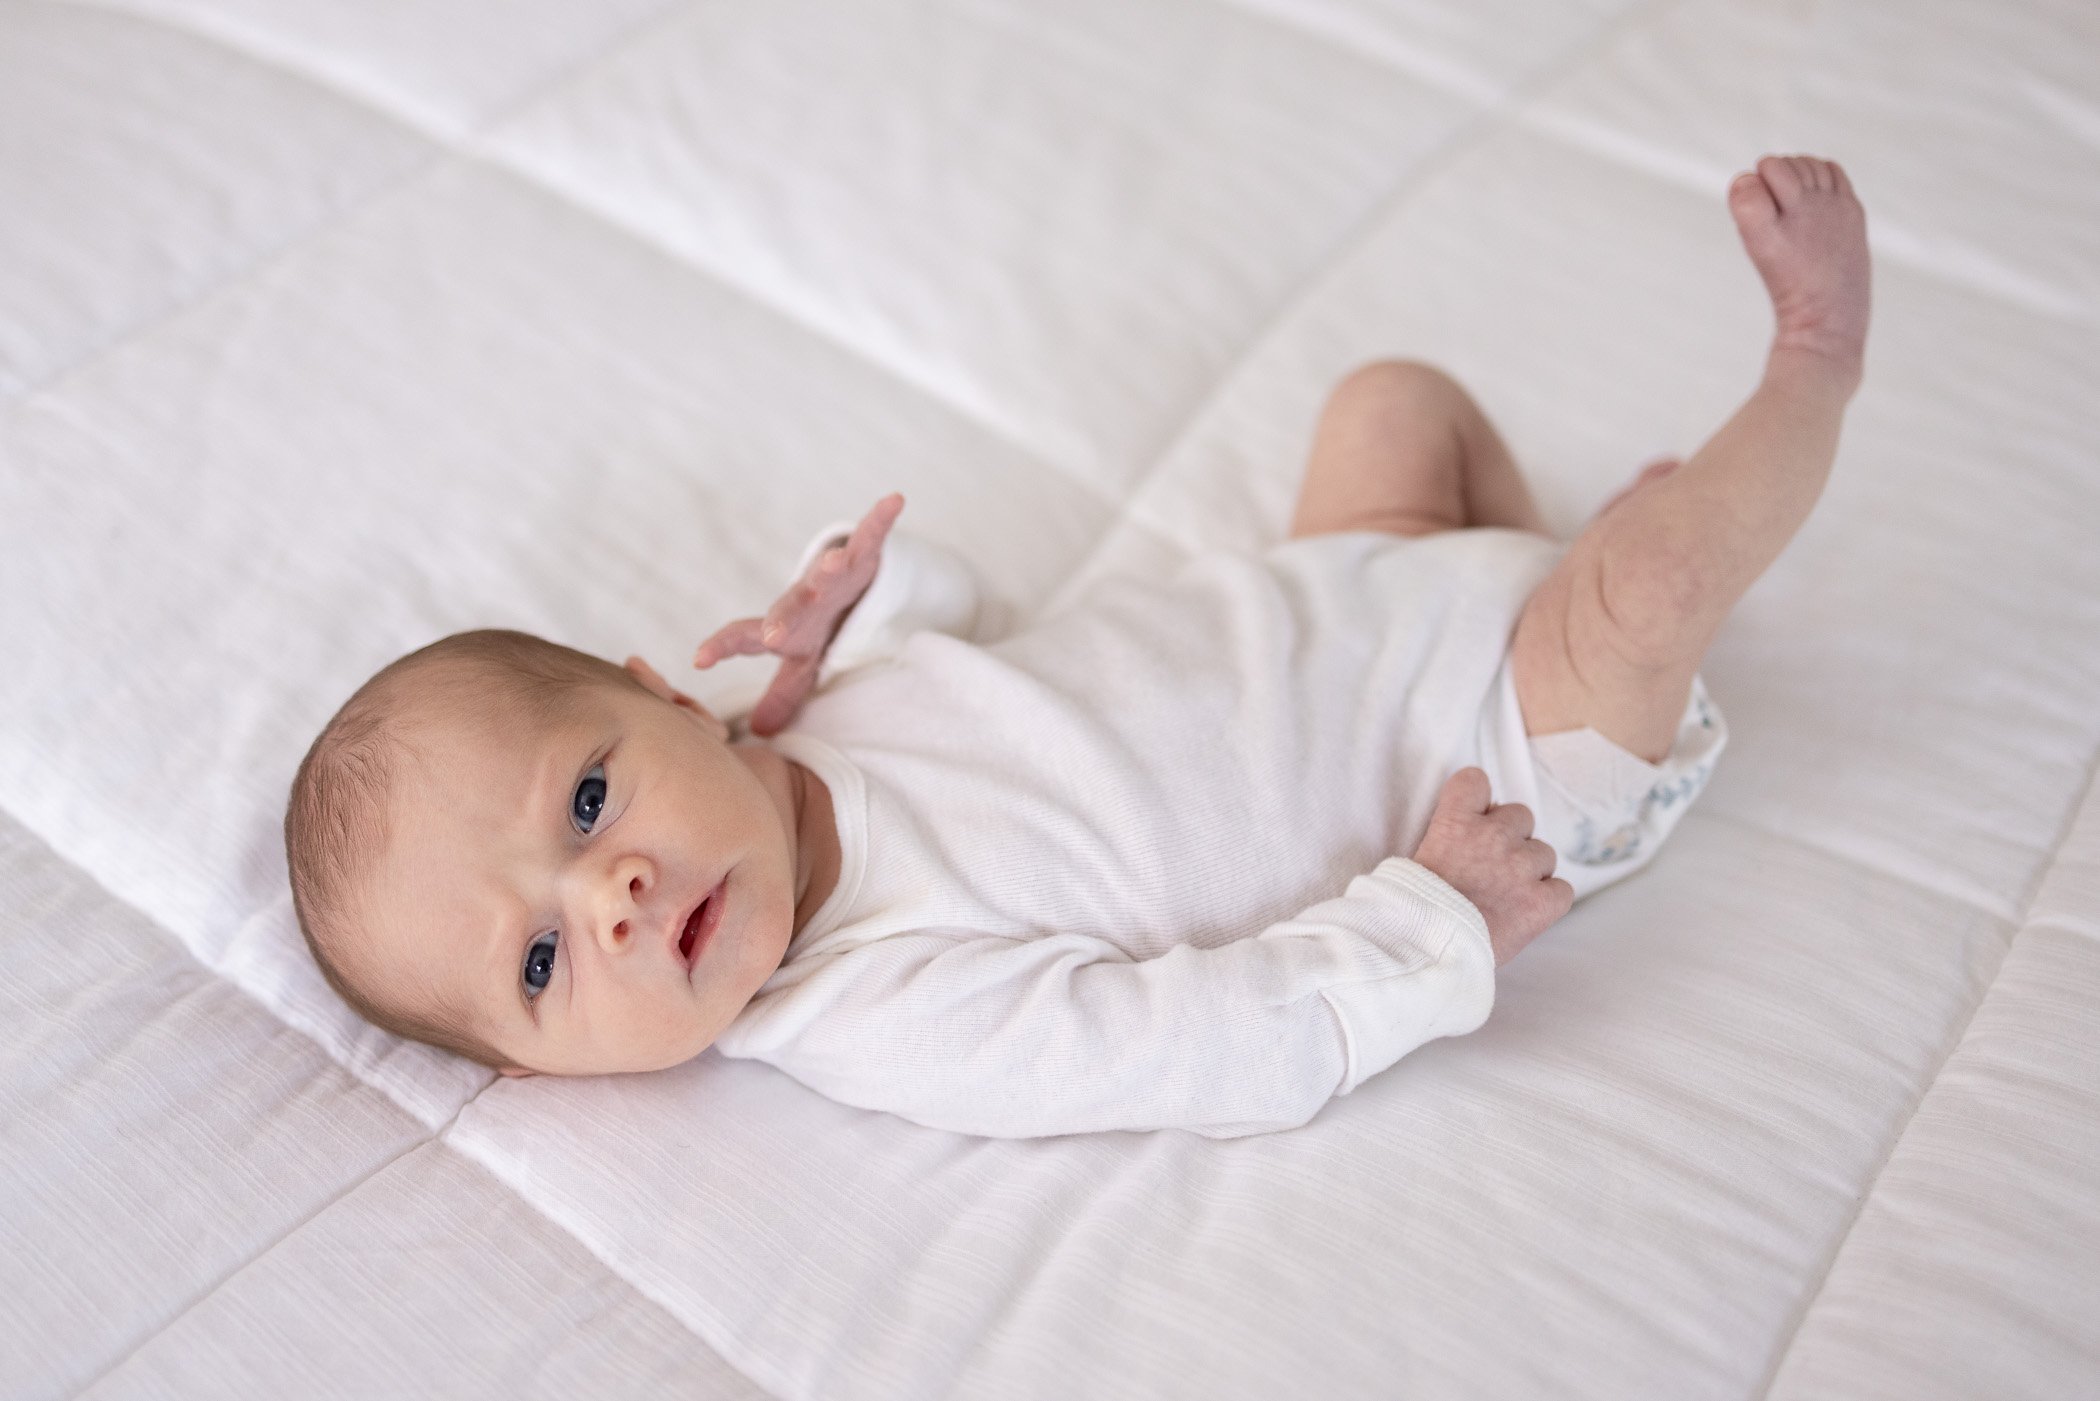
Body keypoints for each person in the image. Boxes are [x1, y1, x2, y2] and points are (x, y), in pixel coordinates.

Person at [284, 155, 1867, 1138]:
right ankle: (1804, 371)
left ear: (656, 696)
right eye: (545, 962)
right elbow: (1196, 1050)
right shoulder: (885, 1006)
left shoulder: (802, 727)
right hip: (1480, 750)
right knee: (1644, 605)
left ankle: (1556, 542)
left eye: (583, 804)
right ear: (559, 1076)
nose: (612, 897)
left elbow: (984, 637)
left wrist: (855, 607)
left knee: (1392, 401)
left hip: (1341, 587)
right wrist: (1429, 921)